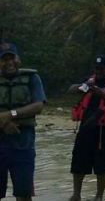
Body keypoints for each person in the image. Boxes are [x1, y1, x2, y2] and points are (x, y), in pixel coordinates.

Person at [68, 55, 105, 201]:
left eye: (101, 68)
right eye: (96, 68)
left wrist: (102, 94)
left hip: (103, 129)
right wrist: (83, 87)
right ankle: (76, 194)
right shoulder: (89, 80)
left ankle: (99, 196)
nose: (98, 71)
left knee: (103, 164)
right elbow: (71, 90)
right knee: (78, 161)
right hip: (86, 126)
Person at [0, 42, 46, 201]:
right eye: (4, 59)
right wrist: (4, 123)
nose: (9, 63)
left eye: (11, 58)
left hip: (23, 143)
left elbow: (38, 106)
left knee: (24, 193)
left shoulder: (32, 78)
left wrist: (10, 115)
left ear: (18, 59)